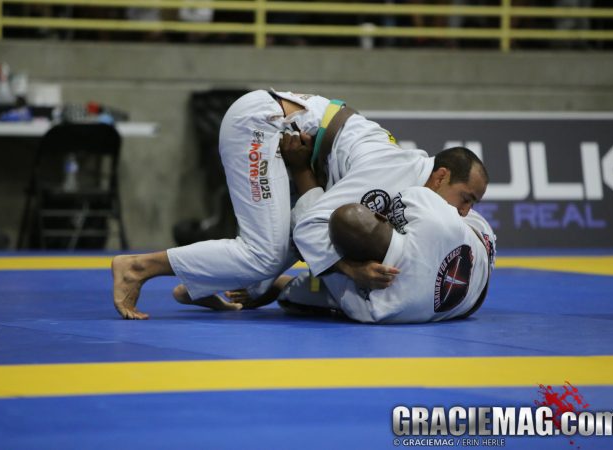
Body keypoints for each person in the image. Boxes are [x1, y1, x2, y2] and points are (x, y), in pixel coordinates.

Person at [112, 89, 487, 319]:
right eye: (466, 198)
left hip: (291, 136)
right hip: (264, 125)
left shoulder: (413, 186)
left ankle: (200, 285)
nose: (465, 212)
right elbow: (311, 226)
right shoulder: (394, 176)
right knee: (266, 253)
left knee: (292, 245)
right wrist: (351, 270)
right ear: (441, 177)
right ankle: (138, 267)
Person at [279, 188, 496, 323]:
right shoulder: (425, 210)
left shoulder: (378, 307)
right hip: (482, 243)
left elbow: (327, 263)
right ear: (381, 216)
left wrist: (348, 268)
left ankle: (282, 287)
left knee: (315, 277)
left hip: (469, 294)